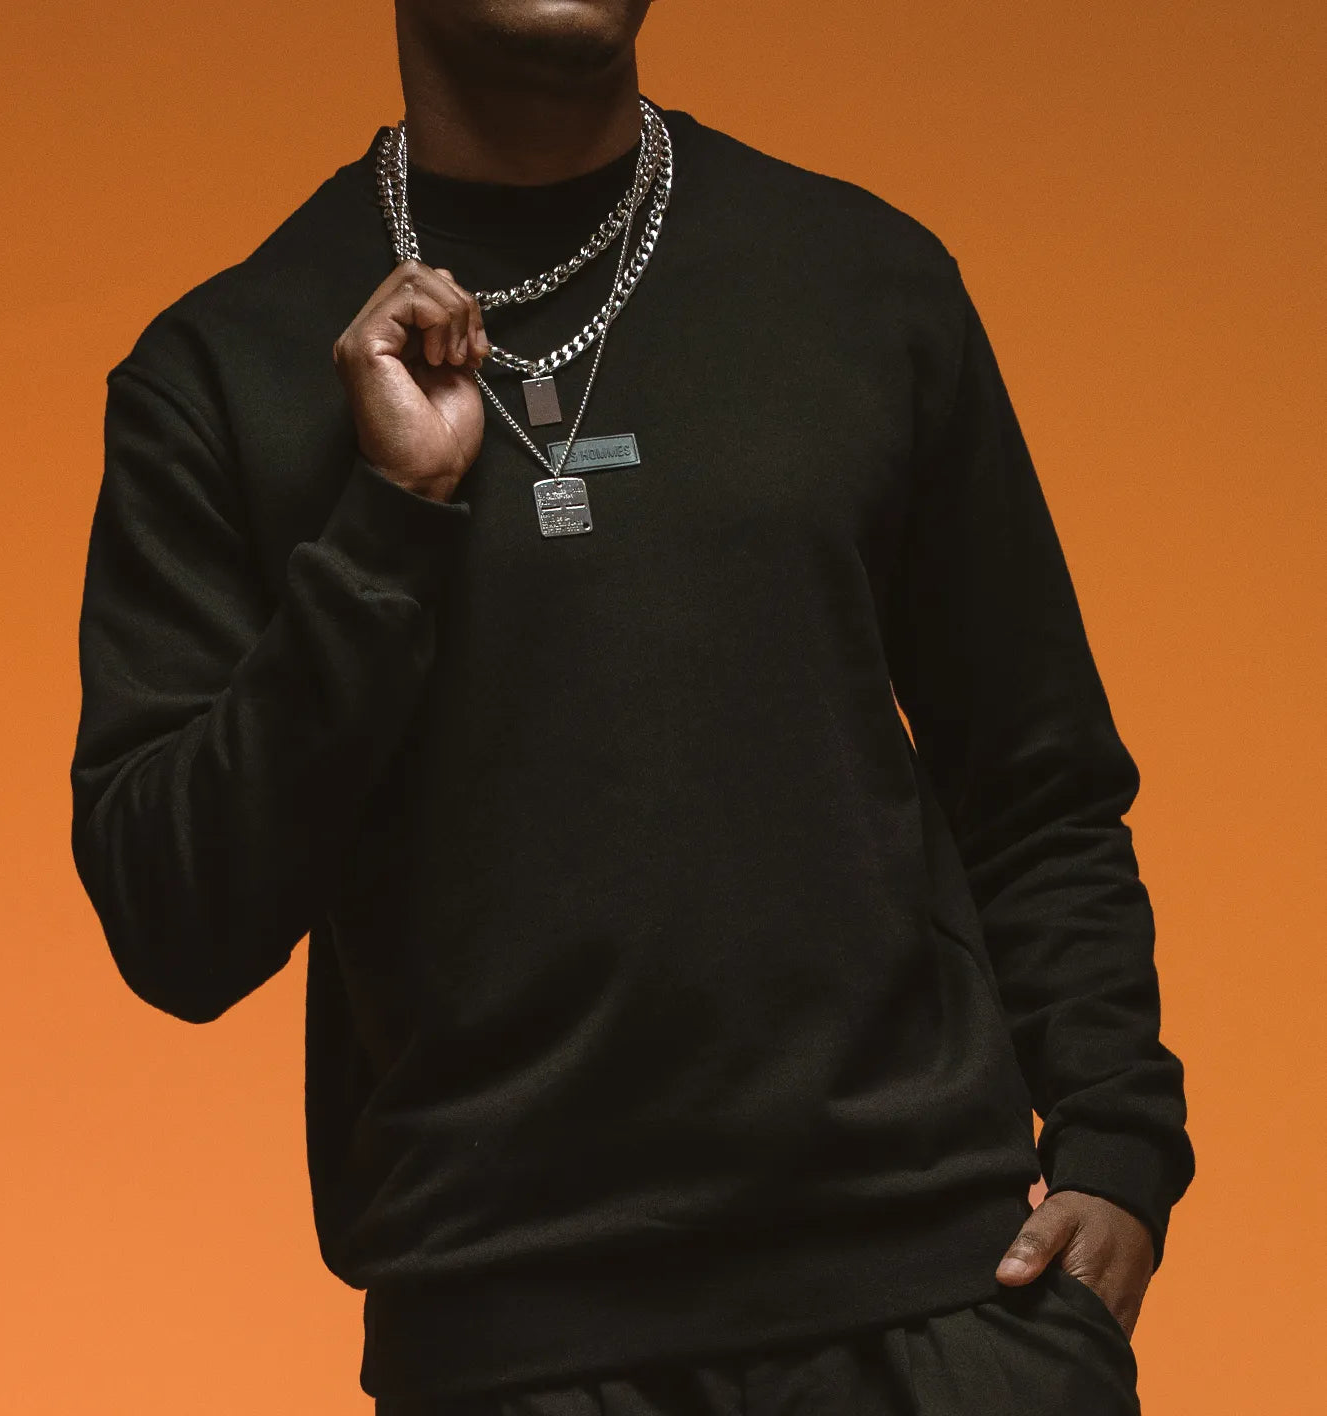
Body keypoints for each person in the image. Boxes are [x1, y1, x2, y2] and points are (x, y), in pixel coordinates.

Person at [68, 2, 1196, 1412]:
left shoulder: (861, 281)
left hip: (938, 1317)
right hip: (513, 1345)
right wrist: (387, 522)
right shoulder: (226, 368)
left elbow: (1035, 778)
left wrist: (1117, 1143)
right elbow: (175, 922)